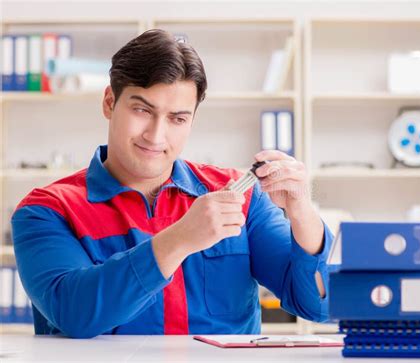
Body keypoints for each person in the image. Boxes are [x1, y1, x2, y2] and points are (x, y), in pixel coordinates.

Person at [12, 29, 333, 338]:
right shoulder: (47, 210)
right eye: (142, 110)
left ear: (192, 119)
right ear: (109, 102)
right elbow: (74, 314)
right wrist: (180, 239)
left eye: (177, 118)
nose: (156, 135)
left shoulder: (242, 196)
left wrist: (301, 212)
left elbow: (316, 304)